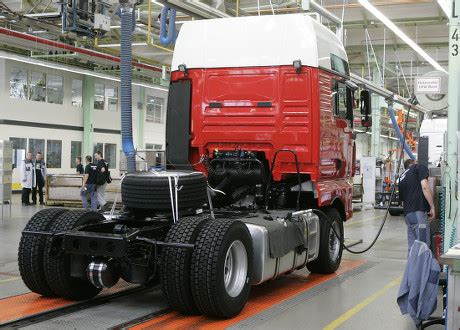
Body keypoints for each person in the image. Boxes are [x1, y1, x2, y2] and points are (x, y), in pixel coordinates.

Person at [398, 159, 436, 254]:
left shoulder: (401, 177)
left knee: (412, 246)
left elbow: (403, 202)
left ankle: (412, 268)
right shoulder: (418, 168)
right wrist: (432, 207)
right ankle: (422, 269)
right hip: (418, 213)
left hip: (408, 216)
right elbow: (424, 186)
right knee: (423, 245)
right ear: (413, 163)